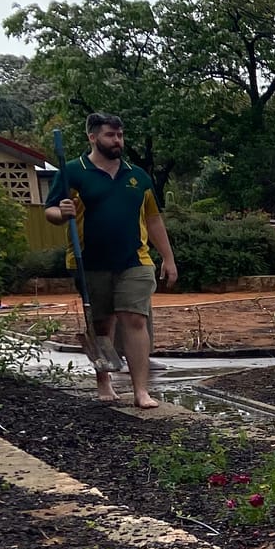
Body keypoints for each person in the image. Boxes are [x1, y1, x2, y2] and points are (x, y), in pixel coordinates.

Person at [44, 113, 177, 410]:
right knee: (102, 324)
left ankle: (140, 390)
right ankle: (103, 379)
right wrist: (61, 212)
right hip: (90, 262)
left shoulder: (138, 176)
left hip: (135, 260)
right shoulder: (72, 173)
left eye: (120, 135)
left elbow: (153, 220)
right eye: (110, 136)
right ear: (92, 137)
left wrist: (168, 258)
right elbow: (50, 212)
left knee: (135, 319)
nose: (117, 141)